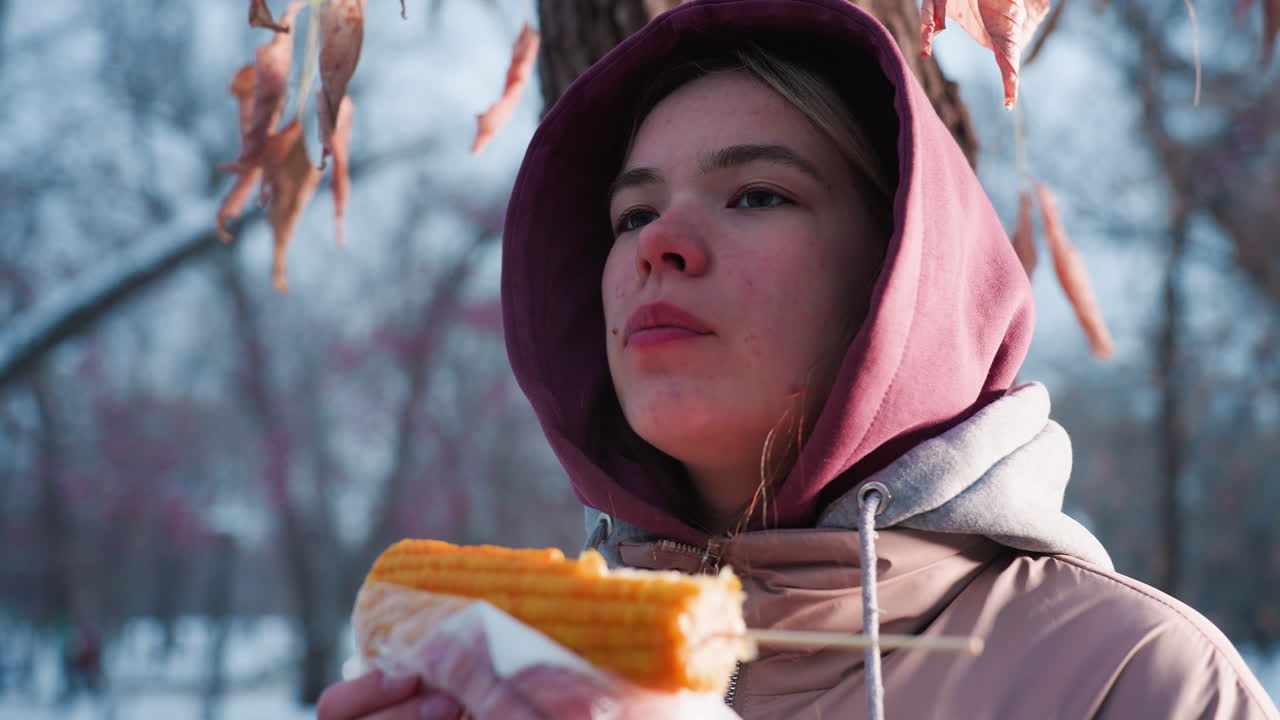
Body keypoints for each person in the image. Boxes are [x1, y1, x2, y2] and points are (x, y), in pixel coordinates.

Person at [318, 0, 1280, 718]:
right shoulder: (509, 674)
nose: (660, 245)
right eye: (633, 213)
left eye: (757, 196)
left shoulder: (1140, 678)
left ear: (900, 277)